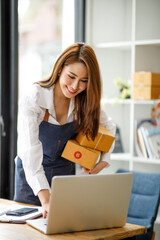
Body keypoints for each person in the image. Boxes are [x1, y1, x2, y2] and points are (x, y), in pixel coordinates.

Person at [14, 42, 116, 218]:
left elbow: (109, 125)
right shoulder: (34, 98)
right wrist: (46, 200)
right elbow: (30, 154)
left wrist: (104, 160)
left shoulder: (83, 101)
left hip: (64, 178)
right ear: (60, 68)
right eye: (72, 76)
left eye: (84, 81)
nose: (75, 86)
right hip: (31, 179)